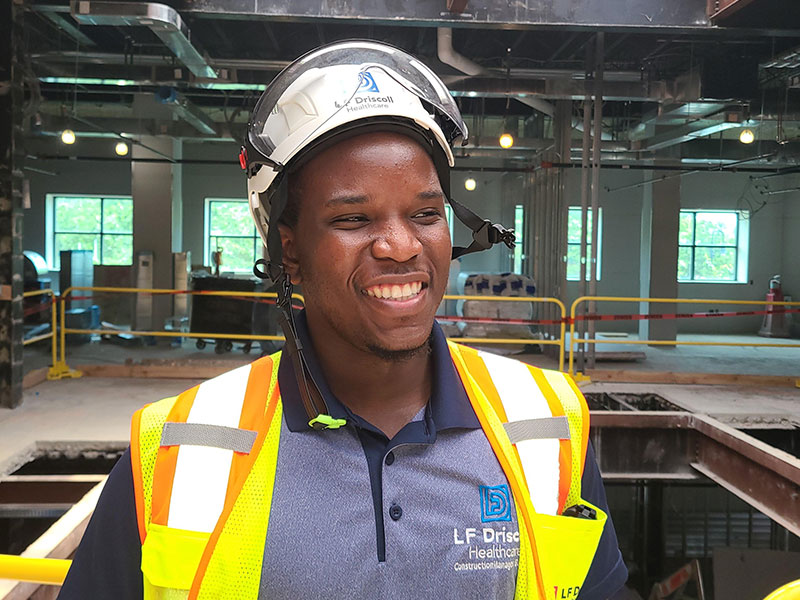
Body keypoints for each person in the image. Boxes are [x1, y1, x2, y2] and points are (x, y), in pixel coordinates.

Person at [59, 40, 627, 599]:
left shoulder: (548, 423)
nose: (402, 246)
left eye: (426, 214)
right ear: (289, 254)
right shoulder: (178, 449)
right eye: (353, 218)